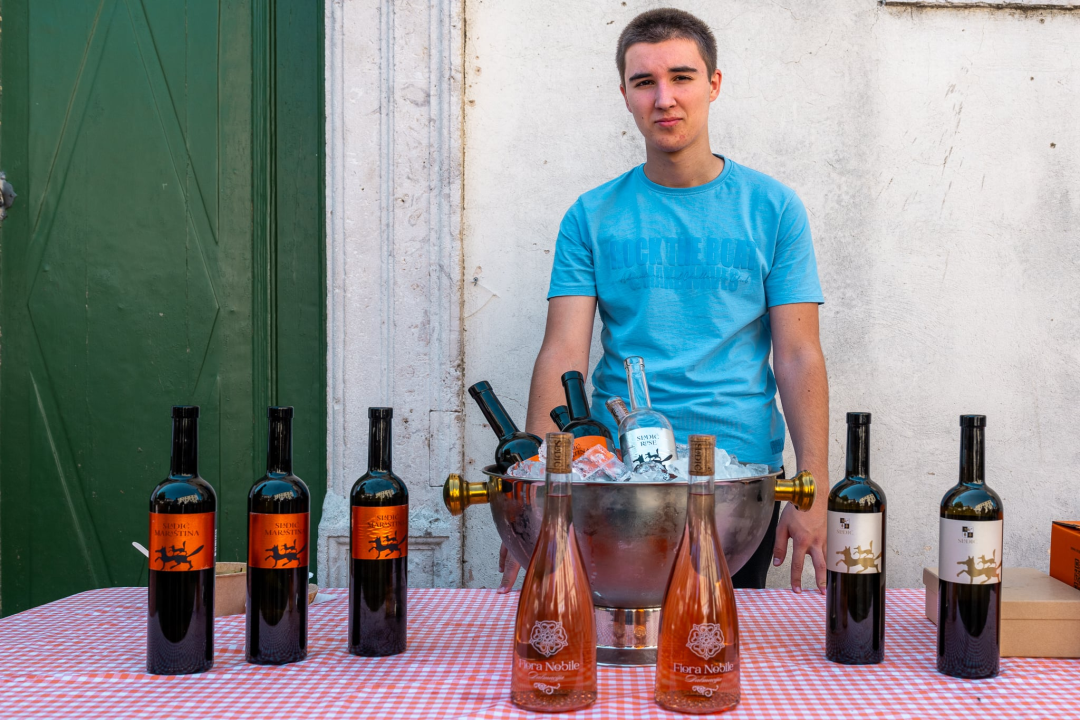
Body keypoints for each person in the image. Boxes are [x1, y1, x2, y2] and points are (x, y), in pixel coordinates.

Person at [496, 8, 829, 595]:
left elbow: (799, 354)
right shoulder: (591, 215)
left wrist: (816, 487)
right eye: (644, 82)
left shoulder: (773, 208)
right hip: (617, 480)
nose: (664, 98)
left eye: (682, 77)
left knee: (711, 655)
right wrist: (532, 496)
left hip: (738, 479)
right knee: (614, 645)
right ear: (624, 94)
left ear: (714, 84)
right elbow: (562, 353)